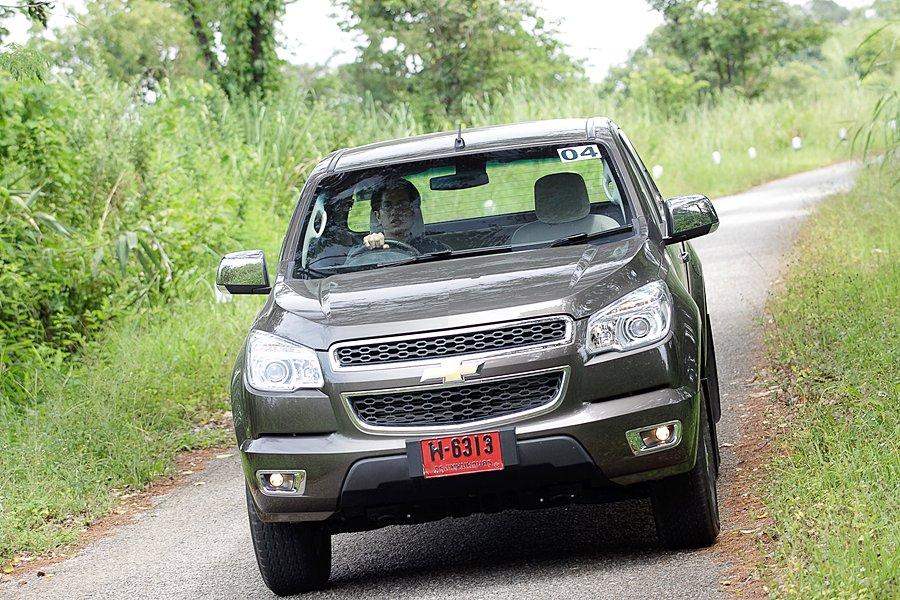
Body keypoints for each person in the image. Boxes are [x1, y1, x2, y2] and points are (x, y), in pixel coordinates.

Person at [363, 178, 450, 253]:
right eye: (387, 206)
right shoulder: (368, 249)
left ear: (413, 211)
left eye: (402, 205)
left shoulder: (434, 248)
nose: (395, 212)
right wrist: (372, 246)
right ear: (378, 216)